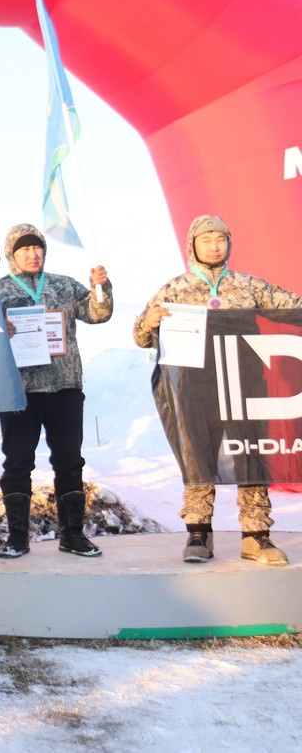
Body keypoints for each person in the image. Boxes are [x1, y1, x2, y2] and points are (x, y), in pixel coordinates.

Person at [134, 215, 302, 566]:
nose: (214, 245)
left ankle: (257, 537)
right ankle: (199, 534)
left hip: (246, 388)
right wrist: (148, 323)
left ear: (229, 244)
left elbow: (292, 308)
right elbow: (141, 335)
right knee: (198, 457)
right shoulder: (175, 289)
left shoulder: (248, 285)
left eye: (220, 239)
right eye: (206, 239)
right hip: (195, 390)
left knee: (251, 455)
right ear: (192, 245)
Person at [0, 223, 112, 559]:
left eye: (37, 248)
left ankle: (72, 535)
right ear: (12, 255)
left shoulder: (63, 285)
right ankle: (17, 536)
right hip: (20, 392)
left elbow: (97, 313)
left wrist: (101, 287)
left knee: (69, 462)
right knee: (17, 464)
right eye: (24, 249)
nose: (33, 255)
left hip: (64, 388)